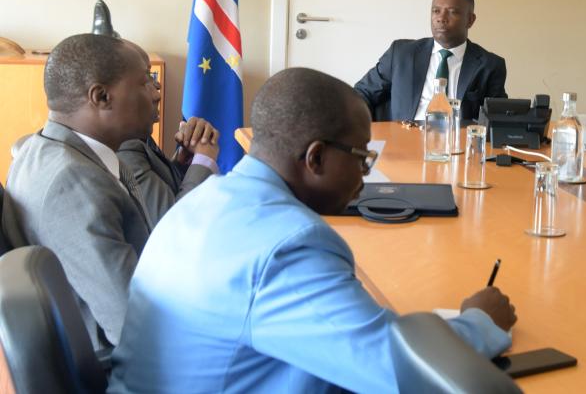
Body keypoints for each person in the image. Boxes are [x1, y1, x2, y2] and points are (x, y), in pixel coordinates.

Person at [109, 68, 516, 392]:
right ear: (315, 157)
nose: (365, 176)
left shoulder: (205, 199)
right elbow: (396, 372)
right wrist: (479, 322)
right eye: (362, 159)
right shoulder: (289, 245)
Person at [1, 34, 172, 352]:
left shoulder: (38, 147)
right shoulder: (75, 185)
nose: (156, 92)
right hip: (113, 362)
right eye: (144, 82)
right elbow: (131, 327)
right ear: (101, 97)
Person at [354, 0, 507, 121]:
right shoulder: (401, 54)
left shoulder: (489, 65)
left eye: (452, 12)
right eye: (436, 11)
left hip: (456, 139)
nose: (441, 18)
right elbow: (362, 93)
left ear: (470, 20)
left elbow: (497, 117)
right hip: (404, 136)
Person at [117, 53, 220, 206]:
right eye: (146, 79)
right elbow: (173, 218)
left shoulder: (137, 134)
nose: (158, 90)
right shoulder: (125, 149)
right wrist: (203, 159)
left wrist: (182, 161)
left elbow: (162, 191)